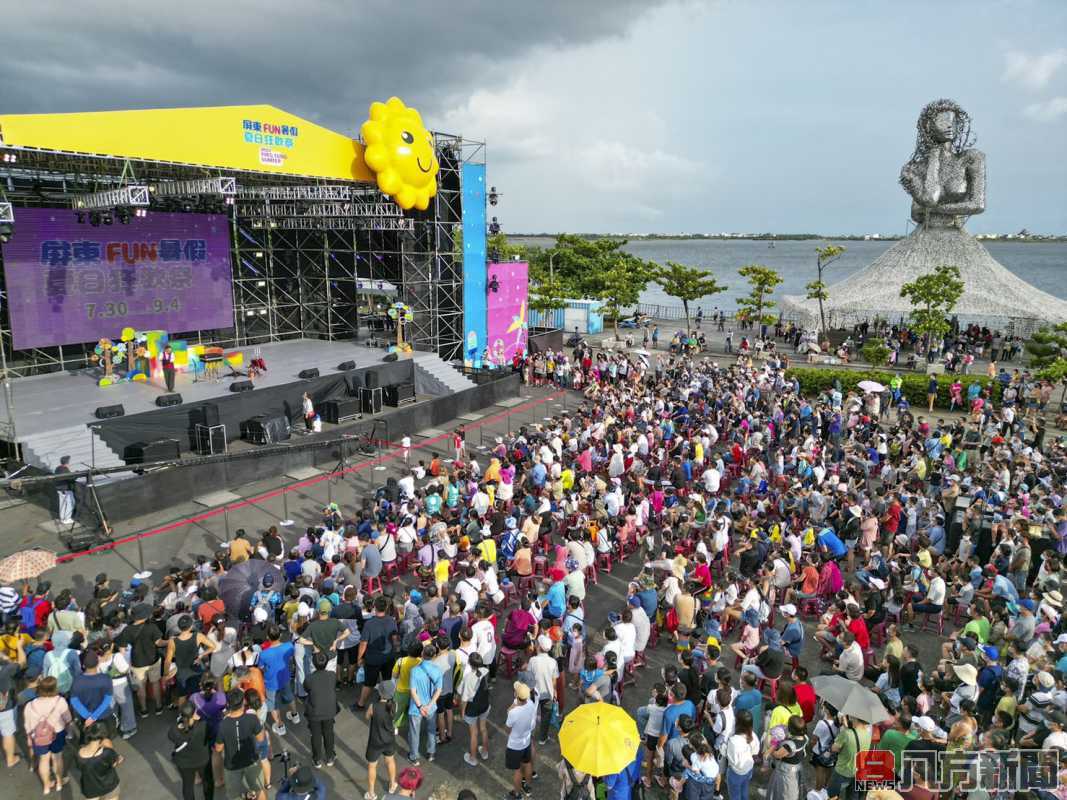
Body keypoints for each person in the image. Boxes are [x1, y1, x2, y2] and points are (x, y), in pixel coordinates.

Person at [23, 675, 72, 794]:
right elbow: (68, 719)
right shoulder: (60, 701)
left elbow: (27, 724)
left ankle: (46, 786)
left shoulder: (31, 705)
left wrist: (29, 737)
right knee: (57, 758)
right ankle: (59, 782)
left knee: (43, 760)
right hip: (57, 733)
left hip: (38, 736)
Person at [215, 689, 266, 800]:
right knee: (258, 789)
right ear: (243, 702)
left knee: (234, 795)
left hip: (232, 765)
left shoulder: (223, 724)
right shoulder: (252, 718)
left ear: (228, 704)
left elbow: (218, 749)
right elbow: (261, 738)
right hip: (251, 760)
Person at [169, 702, 214, 800]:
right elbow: (210, 736)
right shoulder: (203, 725)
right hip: (203, 760)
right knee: (207, 782)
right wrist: (200, 719)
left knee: (187, 786)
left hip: (184, 763)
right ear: (194, 714)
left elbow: (175, 733)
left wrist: (180, 722)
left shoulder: (174, 730)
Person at [363, 679, 399, 800]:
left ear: (380, 693)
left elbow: (367, 717)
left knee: (372, 766)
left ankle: (371, 793)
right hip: (389, 739)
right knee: (390, 761)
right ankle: (392, 784)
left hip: (375, 741)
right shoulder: (394, 705)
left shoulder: (374, 706)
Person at [303, 651, 339, 768]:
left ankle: (317, 759)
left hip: (314, 712)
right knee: (329, 733)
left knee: (316, 735)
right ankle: (330, 757)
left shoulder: (309, 678)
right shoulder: (332, 675)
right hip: (329, 710)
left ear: (313, 664)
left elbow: (306, 689)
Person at [504, 681, 538, 800]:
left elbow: (507, 728)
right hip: (526, 741)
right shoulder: (531, 704)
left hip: (515, 745)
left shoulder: (513, 712)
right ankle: (527, 787)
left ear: (515, 695)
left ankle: (517, 794)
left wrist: (514, 705)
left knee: (517, 770)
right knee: (527, 764)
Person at [74, 723, 123, 800]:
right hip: (109, 785)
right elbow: (113, 764)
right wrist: (119, 759)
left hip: (90, 789)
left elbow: (80, 768)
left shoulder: (79, 753)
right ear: (103, 736)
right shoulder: (107, 752)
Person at [55, 455, 75, 524]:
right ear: (67, 463)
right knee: (71, 503)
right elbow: (71, 478)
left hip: (59, 489)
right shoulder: (65, 469)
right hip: (65, 490)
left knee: (62, 504)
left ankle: (62, 518)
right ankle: (67, 518)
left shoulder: (58, 468)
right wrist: (77, 474)